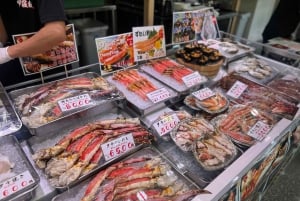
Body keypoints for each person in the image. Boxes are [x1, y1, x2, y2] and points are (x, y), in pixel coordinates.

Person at [0, 0, 67, 87]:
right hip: (13, 65)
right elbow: (3, 36)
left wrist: (6, 53)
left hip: (48, 65)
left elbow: (56, 32)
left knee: (51, 97)